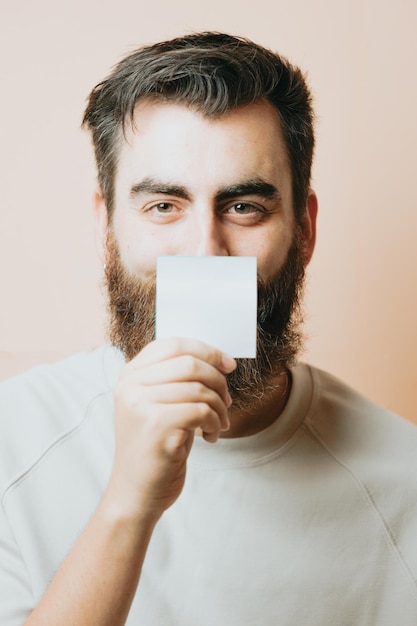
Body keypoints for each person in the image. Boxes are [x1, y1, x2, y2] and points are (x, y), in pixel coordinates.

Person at [1, 32, 417, 626]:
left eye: (244, 206)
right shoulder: (10, 444)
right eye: (164, 206)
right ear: (105, 229)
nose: (205, 254)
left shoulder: (406, 485)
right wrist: (129, 504)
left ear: (305, 231)